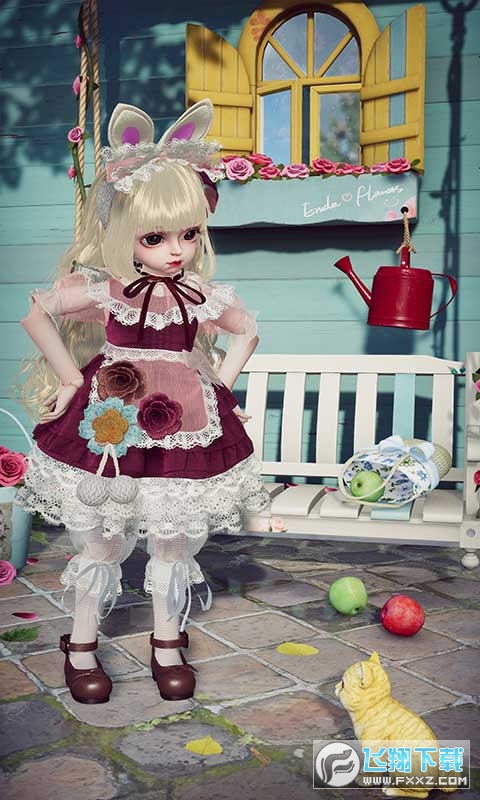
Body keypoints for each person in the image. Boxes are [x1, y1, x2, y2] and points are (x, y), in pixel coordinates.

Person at [15, 99, 270, 704]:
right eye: (155, 237)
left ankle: (166, 640)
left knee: (172, 539)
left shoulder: (201, 294)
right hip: (114, 414)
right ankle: (81, 642)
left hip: (186, 419)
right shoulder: (111, 289)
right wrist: (70, 379)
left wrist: (222, 384)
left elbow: (247, 329)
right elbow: (37, 311)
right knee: (103, 537)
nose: (176, 250)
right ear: (125, 234)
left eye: (189, 234)